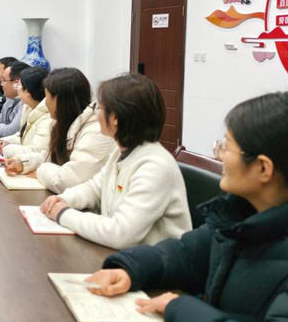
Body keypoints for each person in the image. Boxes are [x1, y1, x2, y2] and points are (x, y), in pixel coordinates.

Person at [85, 90, 288, 322]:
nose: (218, 155)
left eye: (226, 146)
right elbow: (186, 254)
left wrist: (178, 308)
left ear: (263, 168)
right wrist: (130, 268)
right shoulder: (241, 216)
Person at [40, 73, 190, 249]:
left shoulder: (155, 166)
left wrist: (63, 214)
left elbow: (121, 233)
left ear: (115, 118)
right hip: (126, 256)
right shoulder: (121, 152)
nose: (97, 115)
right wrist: (64, 199)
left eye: (101, 108)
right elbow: (94, 189)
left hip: (155, 263)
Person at [4, 67, 114, 192]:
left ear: (59, 100)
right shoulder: (63, 123)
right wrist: (23, 163)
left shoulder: (94, 131)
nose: (45, 103)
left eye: (47, 97)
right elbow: (47, 156)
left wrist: (40, 171)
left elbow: (68, 180)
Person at [0, 66, 52, 158]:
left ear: (28, 92)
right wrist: (5, 141)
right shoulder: (29, 108)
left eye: (19, 85)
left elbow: (36, 151)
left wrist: (6, 149)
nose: (16, 88)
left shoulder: (47, 119)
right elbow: (23, 137)